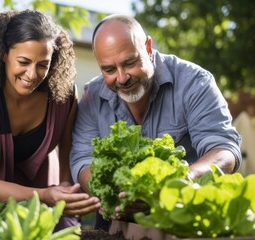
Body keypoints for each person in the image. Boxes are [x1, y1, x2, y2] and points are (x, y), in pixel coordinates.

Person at [69, 14, 242, 230]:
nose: (122, 78)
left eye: (130, 62)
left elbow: (224, 149)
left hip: (184, 217)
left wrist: (181, 181)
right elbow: (82, 158)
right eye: (109, 69)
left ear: (148, 48)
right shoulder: (92, 96)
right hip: (117, 223)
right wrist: (104, 192)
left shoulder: (194, 82)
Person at [0, 9, 100, 230]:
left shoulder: (64, 98)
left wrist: (65, 195)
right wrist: (45, 195)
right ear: (4, 53)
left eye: (43, 64)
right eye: (23, 61)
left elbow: (67, 165)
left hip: (35, 211)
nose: (32, 74)